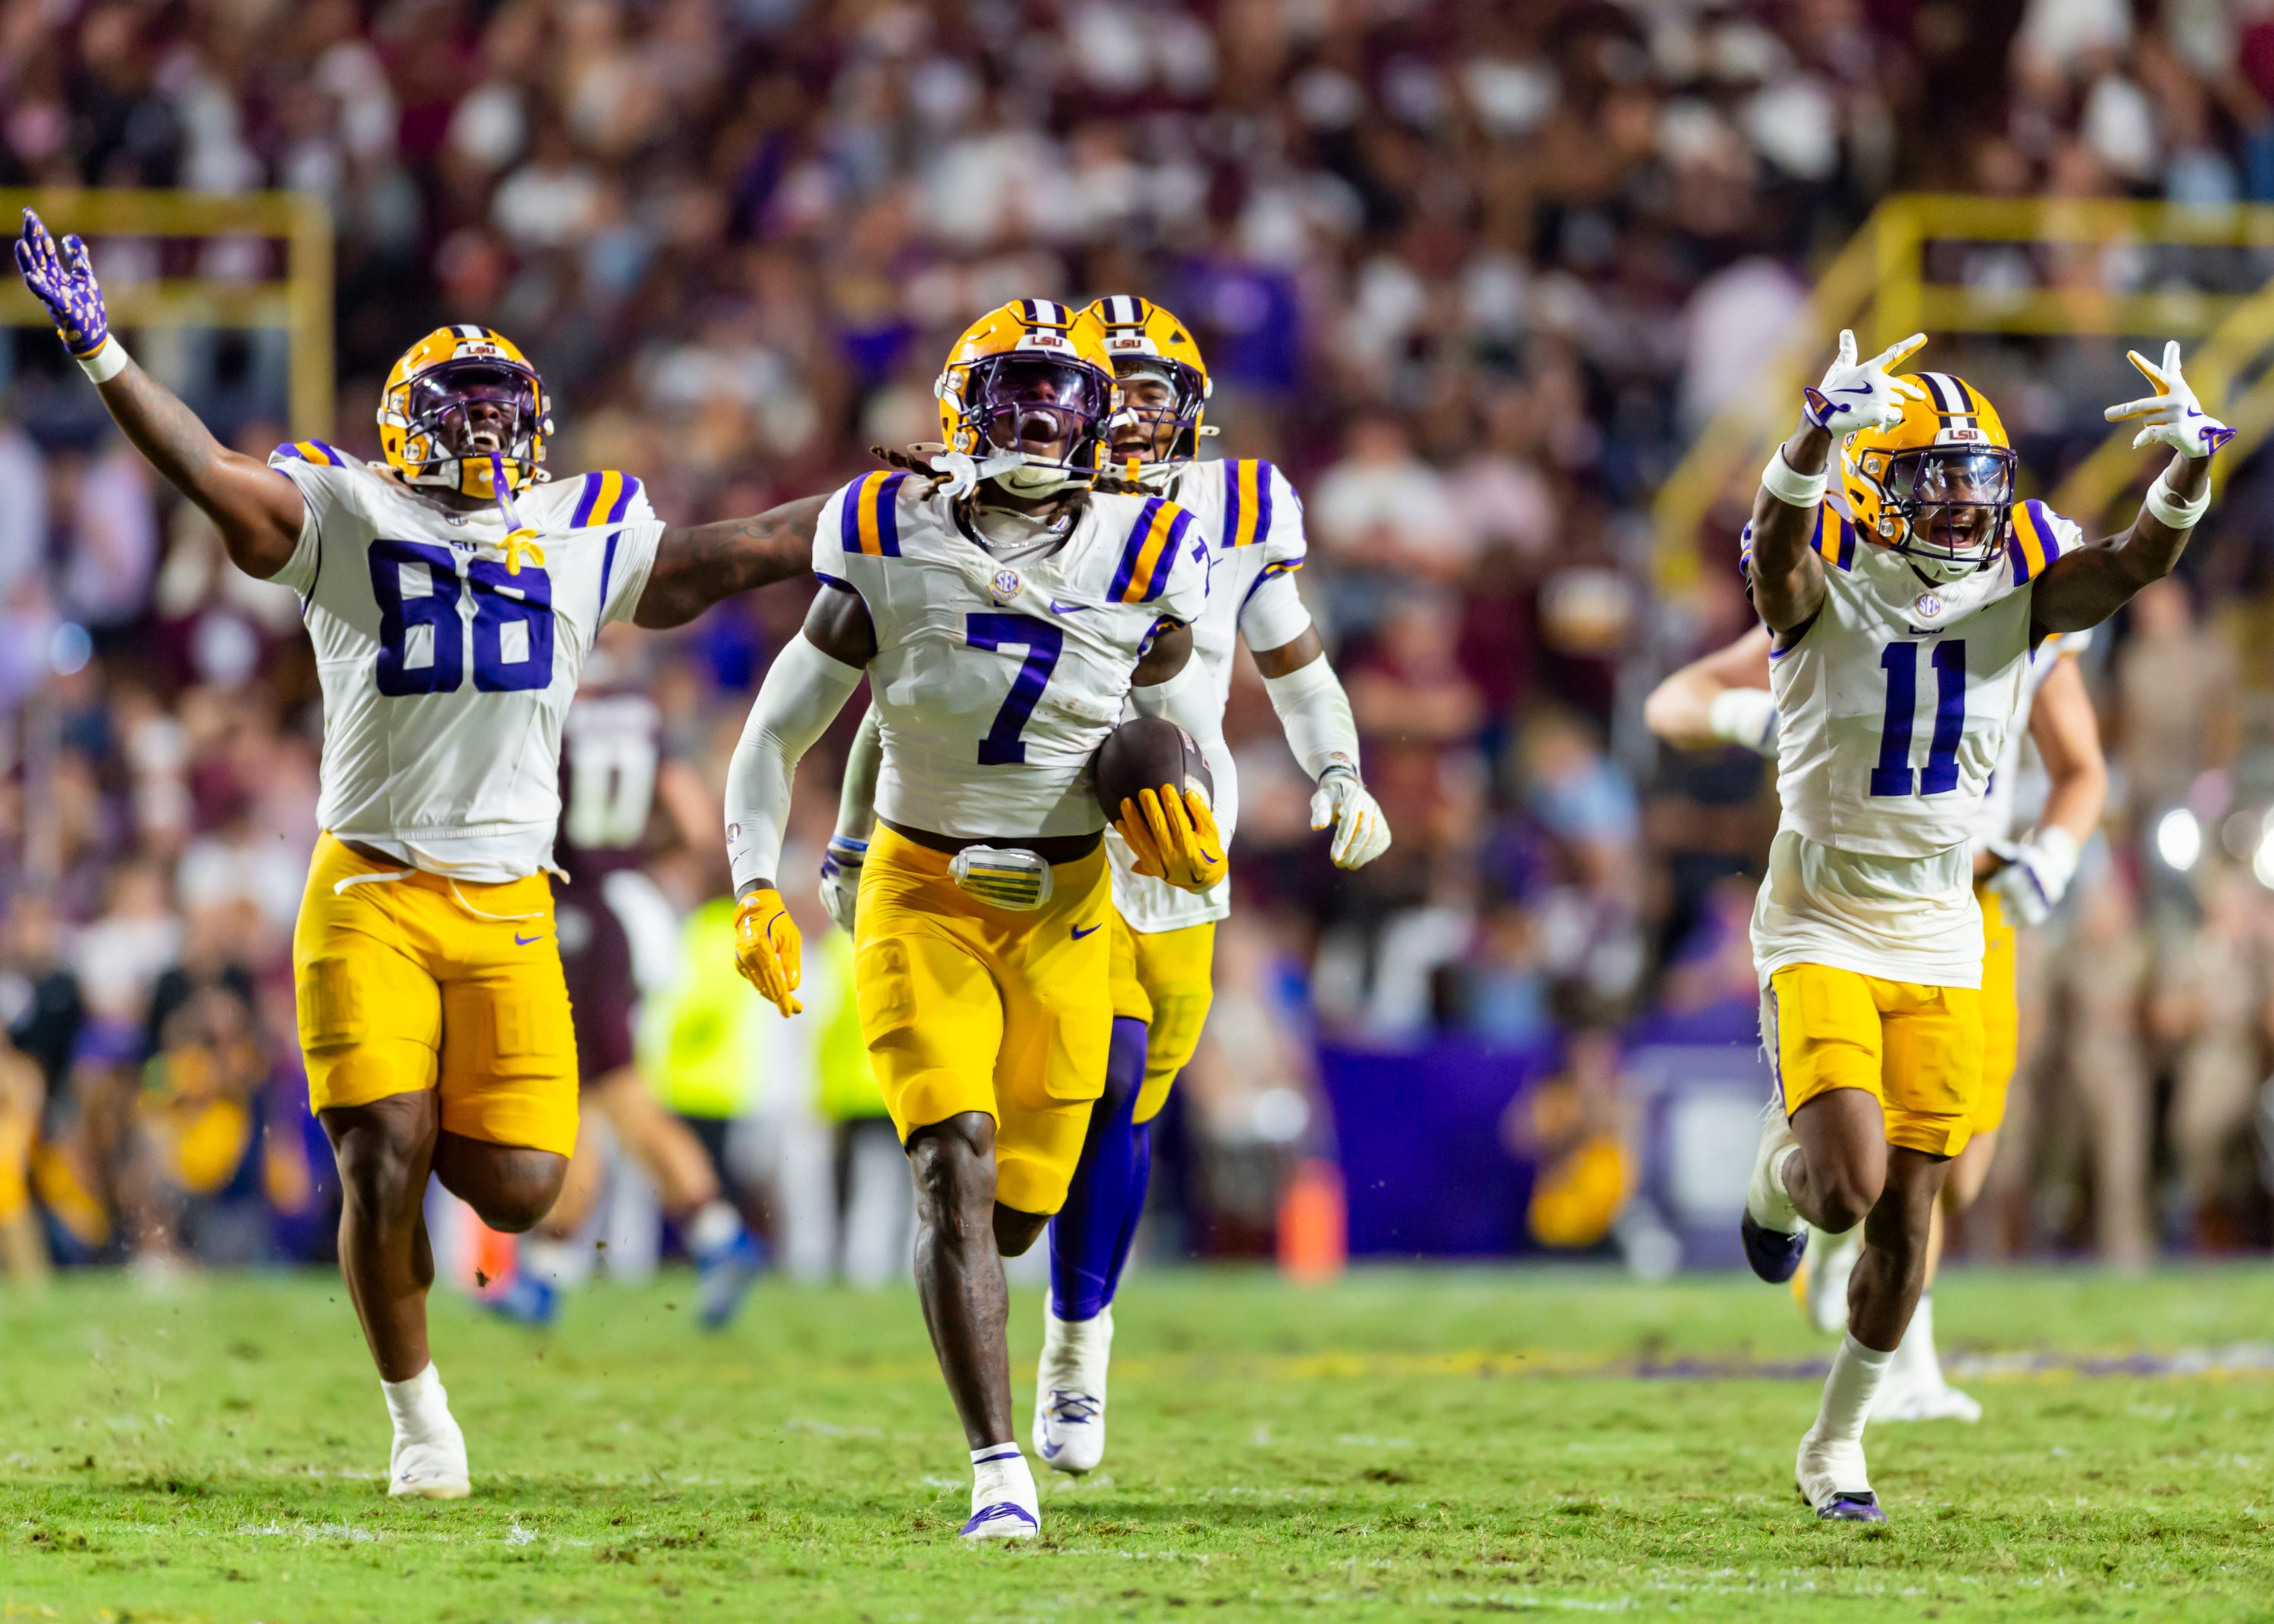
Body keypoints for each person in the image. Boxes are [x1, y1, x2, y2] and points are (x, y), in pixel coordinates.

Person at [15, 208, 822, 1498]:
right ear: (407, 423)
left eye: (507, 410)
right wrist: (105, 351)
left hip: (509, 903)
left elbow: (723, 558)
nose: (491, 433)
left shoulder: (581, 524)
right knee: (380, 1150)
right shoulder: (350, 511)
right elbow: (217, 475)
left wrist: (863, 515)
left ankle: (417, 1117)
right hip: (371, 890)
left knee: (522, 1184)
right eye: (466, 409)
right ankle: (419, 1417)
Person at [818, 296, 1392, 1476]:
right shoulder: (984, 510)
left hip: (1181, 850)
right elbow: (909, 696)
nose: (1126, 417)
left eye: (1149, 394)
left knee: (1125, 1110)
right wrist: (842, 837)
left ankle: (1080, 1339)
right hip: (1047, 838)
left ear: (1192, 414)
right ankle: (1054, 1343)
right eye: (1106, 389)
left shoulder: (1231, 508)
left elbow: (1297, 664)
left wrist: (1339, 769)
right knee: (1104, 1070)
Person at [721, 299, 1226, 1541]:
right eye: (1018, 394)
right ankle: (999, 1466)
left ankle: (1020, 1366)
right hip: (924, 892)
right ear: (962, 408)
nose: (1044, 422)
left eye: (1066, 396)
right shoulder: (885, 530)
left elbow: (1166, 705)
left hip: (1066, 908)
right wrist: (755, 877)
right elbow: (778, 731)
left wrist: (1178, 786)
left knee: (1015, 1213)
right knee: (952, 1163)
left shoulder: (1151, 548)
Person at [1730, 329, 2228, 1522]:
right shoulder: (1823, 568)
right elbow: (1778, 560)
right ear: (1868, 483)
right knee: (1843, 1187)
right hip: (1823, 910)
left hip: (1947, 921)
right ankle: (1779, 1178)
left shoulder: (2021, 570)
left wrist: (2189, 474)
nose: (1961, 506)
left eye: (1975, 480)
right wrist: (1806, 437)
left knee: (1912, 1207)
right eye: (1932, 480)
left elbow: (2130, 565)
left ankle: (1837, 1440)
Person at [1647, 615, 2106, 1419]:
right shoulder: (1850, 597)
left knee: (1956, 1171)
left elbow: (2081, 770)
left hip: (1969, 904)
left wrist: (2055, 856)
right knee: (1886, 1162)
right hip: (1848, 899)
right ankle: (1905, 1363)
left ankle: (1830, 1235)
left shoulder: (2020, 597)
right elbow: (1675, 701)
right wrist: (1751, 717)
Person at [489, 627, 764, 1331]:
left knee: (615, 1092)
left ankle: (716, 1230)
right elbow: (699, 828)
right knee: (581, 1098)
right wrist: (638, 852)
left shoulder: (548, 705)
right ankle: (549, 1273)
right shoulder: (643, 710)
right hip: (622, 907)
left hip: (572, 911)